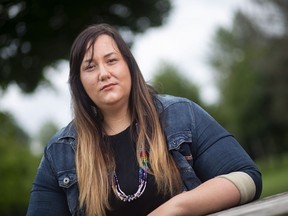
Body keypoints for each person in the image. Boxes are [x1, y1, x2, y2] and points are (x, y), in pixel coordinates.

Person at [26, 23, 262, 216]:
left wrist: (176, 208)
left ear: (129, 65)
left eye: (111, 60)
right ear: (79, 83)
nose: (103, 73)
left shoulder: (180, 115)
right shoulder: (60, 152)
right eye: (90, 67)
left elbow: (246, 177)